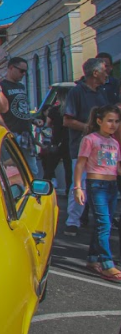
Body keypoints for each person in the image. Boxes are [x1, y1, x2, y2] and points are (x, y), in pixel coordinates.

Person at [71, 104, 121, 281]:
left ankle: (93, 258)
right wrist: (77, 187)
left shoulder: (114, 142)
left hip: (112, 186)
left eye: (116, 121)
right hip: (96, 185)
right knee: (104, 224)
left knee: (102, 223)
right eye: (109, 121)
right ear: (99, 121)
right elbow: (80, 164)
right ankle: (107, 263)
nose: (113, 125)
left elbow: (117, 166)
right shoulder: (90, 139)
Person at [63, 57, 111, 235]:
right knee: (80, 184)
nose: (107, 73)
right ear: (95, 73)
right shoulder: (76, 93)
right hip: (82, 148)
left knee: (103, 182)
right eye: (104, 70)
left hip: (103, 147)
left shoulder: (101, 92)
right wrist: (90, 129)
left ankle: (102, 218)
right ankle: (73, 221)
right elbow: (67, 121)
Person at [0, 57, 36, 172]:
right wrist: (6, 131)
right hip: (12, 133)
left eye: (25, 71)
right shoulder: (2, 87)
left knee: (32, 170)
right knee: (12, 169)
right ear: (11, 68)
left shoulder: (21, 87)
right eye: (21, 71)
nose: (23, 74)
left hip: (26, 134)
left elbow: (23, 109)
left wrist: (33, 120)